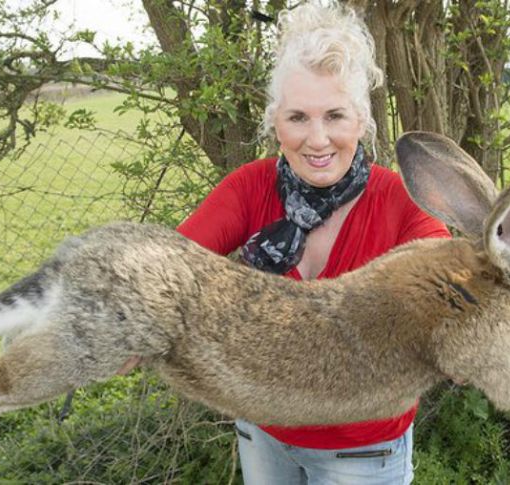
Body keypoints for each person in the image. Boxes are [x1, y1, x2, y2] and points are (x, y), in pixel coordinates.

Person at [176, 2, 451, 484]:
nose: (317, 139)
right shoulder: (249, 187)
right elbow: (165, 267)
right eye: (298, 117)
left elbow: (452, 299)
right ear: (275, 121)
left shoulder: (403, 204)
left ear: (361, 121)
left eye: (335, 116)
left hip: (363, 453)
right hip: (262, 432)